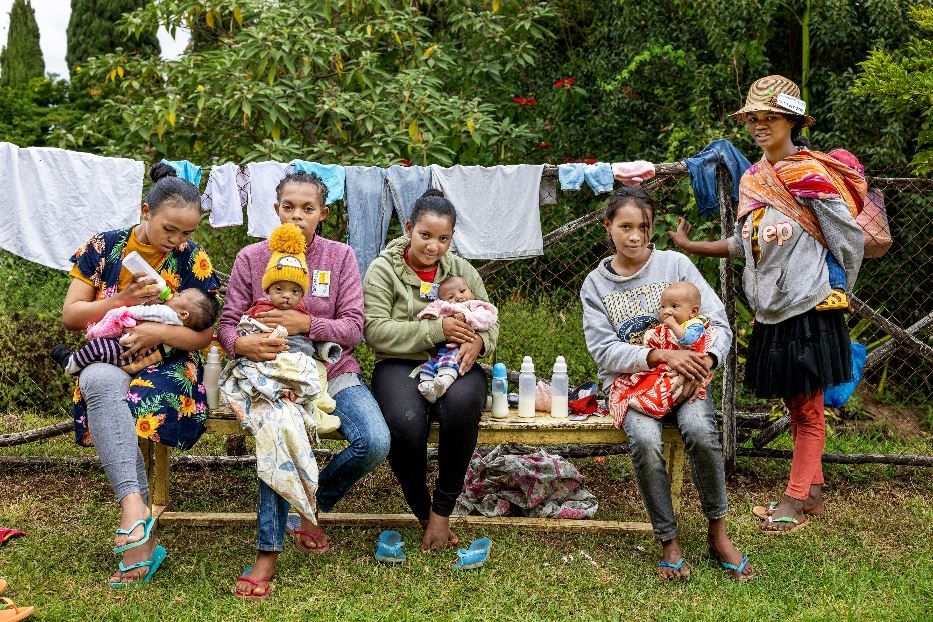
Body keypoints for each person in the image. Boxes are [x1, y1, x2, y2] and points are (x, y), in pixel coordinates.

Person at [669, 75, 864, 533]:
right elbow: (743, 243)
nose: (759, 126)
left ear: (792, 121)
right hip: (771, 309)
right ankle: (811, 491)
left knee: (810, 408)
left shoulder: (811, 176)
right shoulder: (754, 178)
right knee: (797, 405)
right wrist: (690, 246)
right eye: (753, 119)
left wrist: (839, 290)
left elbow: (848, 239)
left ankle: (795, 501)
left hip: (812, 307)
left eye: (769, 118)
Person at [219, 171, 390, 599]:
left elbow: (354, 327)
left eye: (307, 208)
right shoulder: (252, 258)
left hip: (332, 372)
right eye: (288, 207)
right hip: (270, 373)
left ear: (323, 214)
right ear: (275, 210)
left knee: (374, 440)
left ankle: (310, 507)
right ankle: (266, 553)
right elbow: (225, 327)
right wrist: (246, 343)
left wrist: (307, 323)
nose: (297, 216)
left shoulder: (340, 257)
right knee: (278, 430)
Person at [581, 186, 753, 581]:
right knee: (644, 440)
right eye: (625, 226)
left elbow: (718, 323)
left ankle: (718, 531)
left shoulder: (675, 264)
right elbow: (604, 350)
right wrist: (659, 355)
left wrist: (705, 360)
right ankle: (668, 540)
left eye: (644, 226)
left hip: (686, 377)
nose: (636, 236)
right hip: (630, 385)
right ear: (608, 226)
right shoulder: (595, 285)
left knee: (700, 430)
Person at [62, 163, 220, 587]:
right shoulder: (105, 247)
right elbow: (72, 315)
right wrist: (123, 300)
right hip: (111, 354)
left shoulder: (193, 259)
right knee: (97, 380)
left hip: (171, 364)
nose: (178, 241)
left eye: (187, 233)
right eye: (170, 229)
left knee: (125, 400)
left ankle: (136, 538)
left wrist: (159, 331)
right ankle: (135, 507)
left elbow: (206, 332)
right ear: (145, 210)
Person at [364, 189, 499, 551]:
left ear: (451, 239)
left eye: (443, 238)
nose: (433, 246)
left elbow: (490, 316)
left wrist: (480, 343)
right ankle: (425, 514)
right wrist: (436, 330)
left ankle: (443, 511)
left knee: (461, 408)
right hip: (399, 363)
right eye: (425, 235)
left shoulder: (461, 271)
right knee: (404, 422)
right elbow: (374, 331)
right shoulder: (383, 270)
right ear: (409, 228)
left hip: (455, 361)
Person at [606, 281, 715, 423]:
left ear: (693, 311)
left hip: (689, 368)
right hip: (667, 364)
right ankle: (644, 398)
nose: (666, 311)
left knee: (672, 385)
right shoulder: (674, 325)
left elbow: (689, 340)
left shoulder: (695, 325)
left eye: (674, 306)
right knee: (652, 380)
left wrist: (673, 325)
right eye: (663, 306)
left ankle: (655, 405)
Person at [51, 287, 217, 376]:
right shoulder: (180, 326)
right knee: (101, 352)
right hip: (136, 357)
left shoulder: (166, 313)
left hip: (127, 347)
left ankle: (71, 364)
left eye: (179, 295)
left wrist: (126, 310)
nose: (174, 294)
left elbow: (143, 313)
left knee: (98, 347)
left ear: (183, 314)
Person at [415, 275, 499, 402]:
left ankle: (443, 384)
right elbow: (432, 309)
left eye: (462, 291)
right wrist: (429, 316)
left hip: (460, 347)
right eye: (451, 297)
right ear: (443, 299)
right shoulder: (443, 306)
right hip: (440, 349)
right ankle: (429, 389)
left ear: (471, 291)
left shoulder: (475, 306)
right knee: (429, 367)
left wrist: (467, 318)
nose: (459, 297)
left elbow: (488, 319)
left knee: (451, 361)